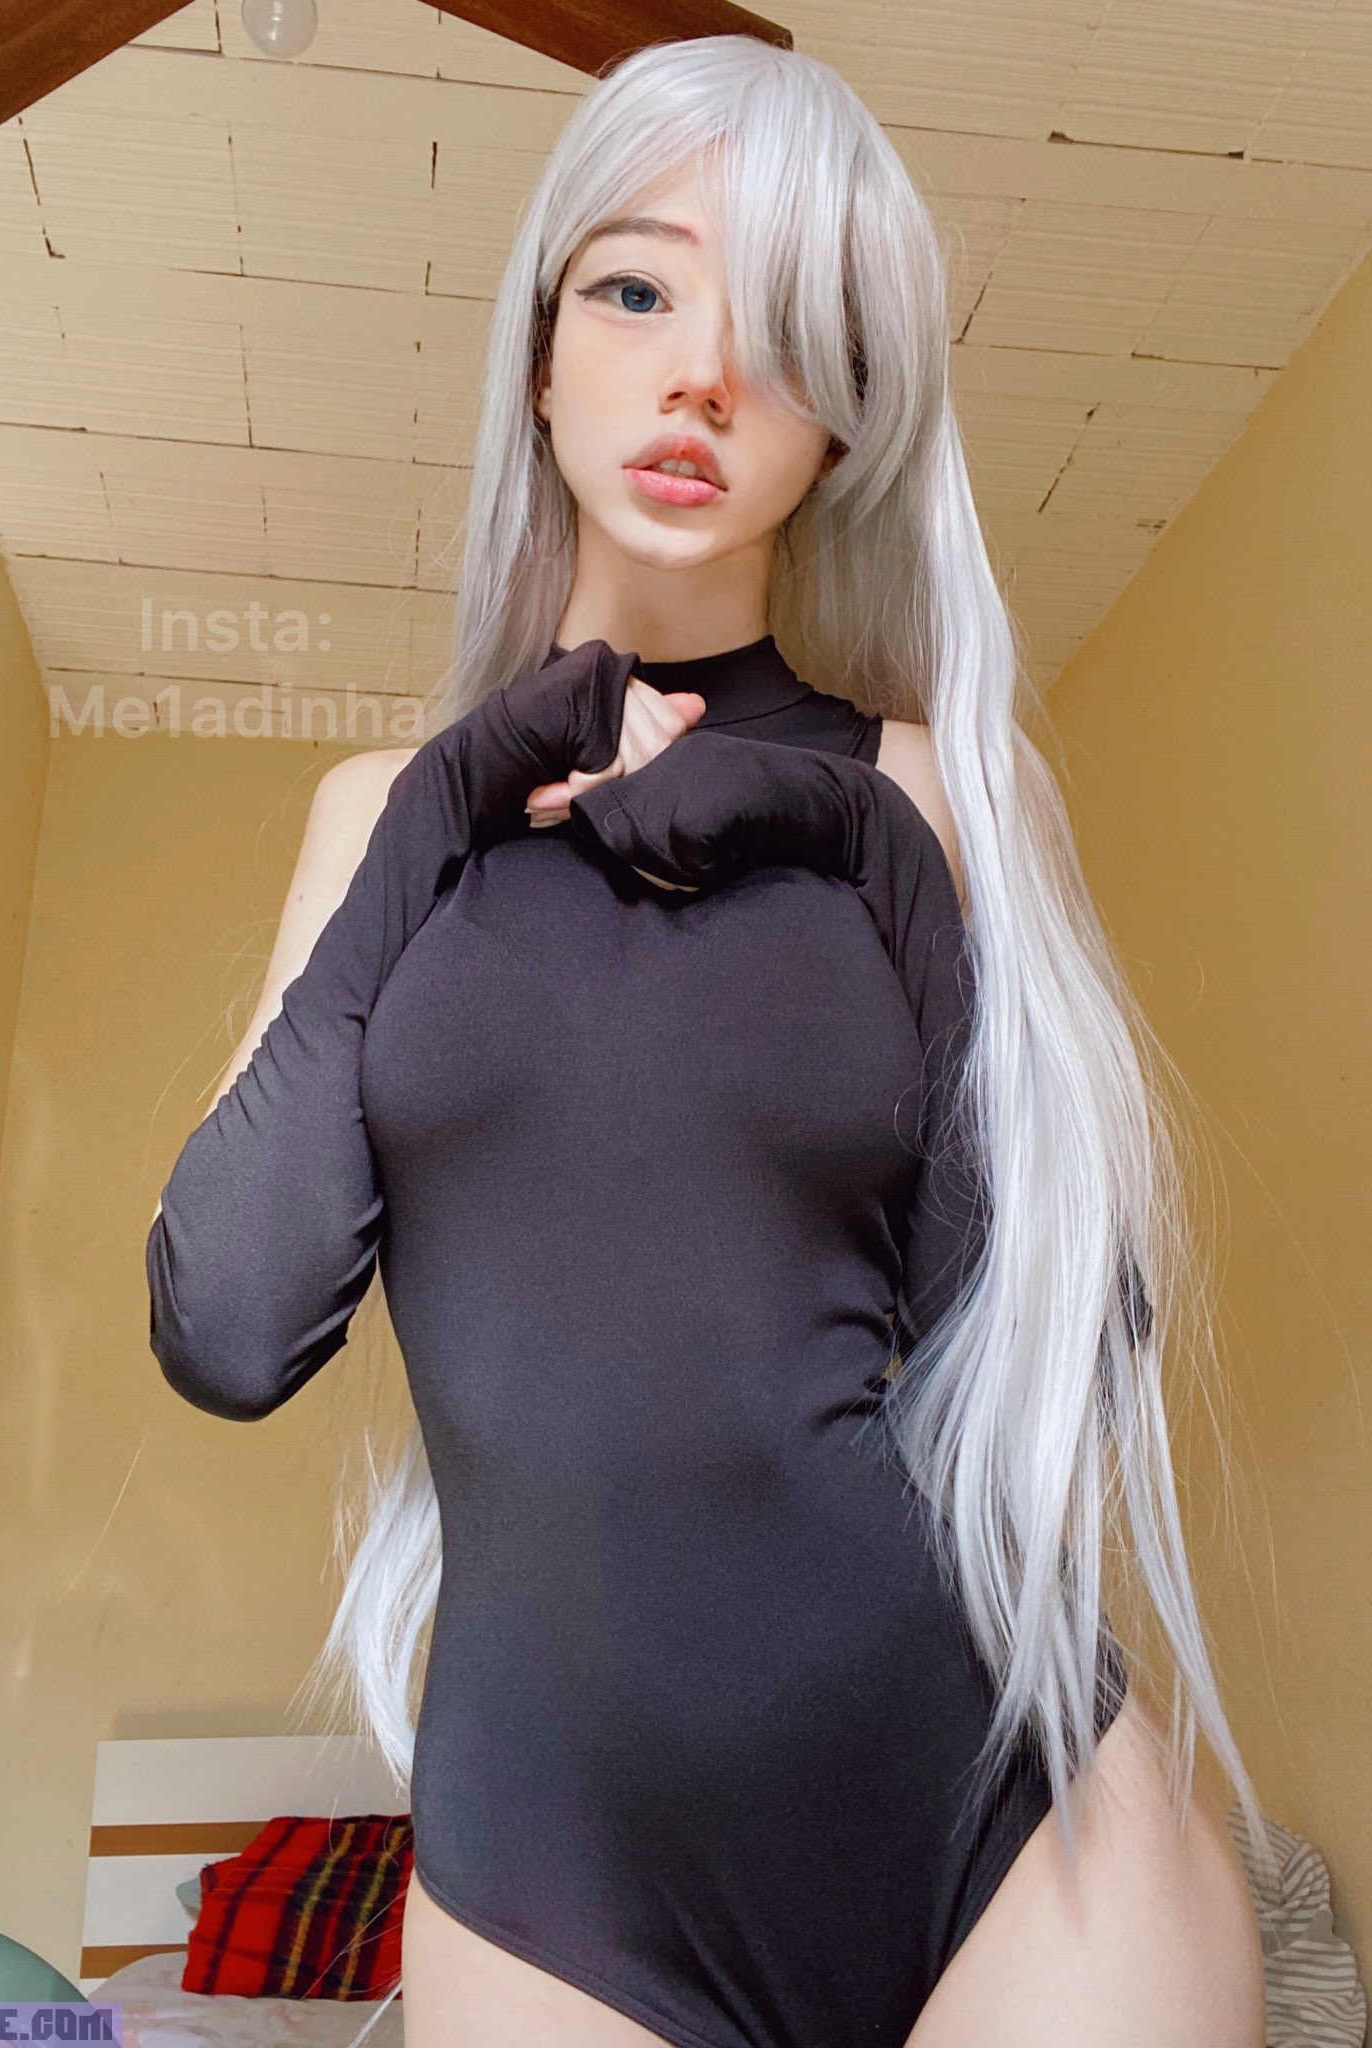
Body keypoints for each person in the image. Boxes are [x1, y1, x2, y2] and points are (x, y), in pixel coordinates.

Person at [146, 36, 1270, 2048]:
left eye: (788, 329)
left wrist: (870, 848)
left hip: (1005, 1826)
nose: (702, 378)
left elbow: (1065, 1339)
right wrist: (443, 809)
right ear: (539, 358)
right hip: (553, 1884)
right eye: (638, 291)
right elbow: (228, 1329)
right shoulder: (380, 815)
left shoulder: (937, 790)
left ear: (843, 425)